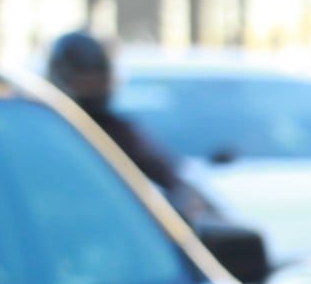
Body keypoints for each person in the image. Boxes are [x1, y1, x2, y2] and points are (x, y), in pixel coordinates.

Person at [44, 30, 214, 217]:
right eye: (84, 83)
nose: (93, 90)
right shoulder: (38, 133)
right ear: (63, 81)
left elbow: (167, 176)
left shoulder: (118, 133)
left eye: (98, 82)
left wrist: (186, 197)